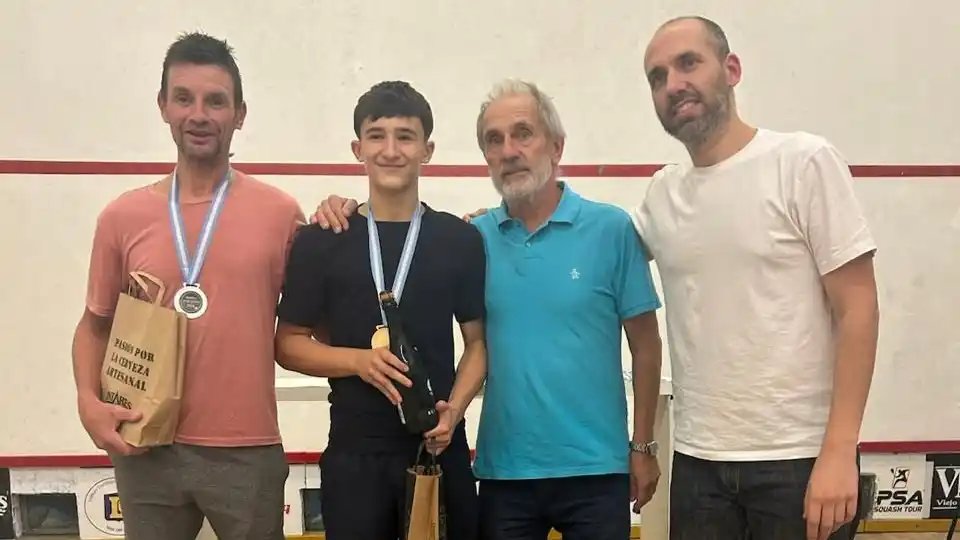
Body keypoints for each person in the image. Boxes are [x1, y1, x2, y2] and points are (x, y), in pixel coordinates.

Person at [311, 79, 665, 540]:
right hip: (504, 475)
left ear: (556, 146)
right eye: (494, 140)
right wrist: (339, 205)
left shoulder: (611, 229)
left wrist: (643, 446)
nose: (509, 150)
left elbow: (647, 345)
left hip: (596, 471)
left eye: (523, 134)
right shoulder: (476, 238)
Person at [632, 16, 879, 540]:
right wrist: (489, 228)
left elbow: (858, 308)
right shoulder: (661, 194)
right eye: (657, 76)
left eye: (688, 63)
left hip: (800, 461)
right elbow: (592, 252)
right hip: (697, 465)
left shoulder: (802, 162)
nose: (673, 83)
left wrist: (839, 450)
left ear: (732, 69)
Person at [72, 32, 304, 540]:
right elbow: (94, 326)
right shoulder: (122, 217)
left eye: (215, 101)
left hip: (248, 450)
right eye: (184, 98)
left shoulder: (281, 214)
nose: (199, 114)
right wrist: (89, 404)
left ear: (240, 113)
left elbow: (306, 327)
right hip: (146, 443)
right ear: (163, 106)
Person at [274, 80, 488, 540]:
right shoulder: (323, 239)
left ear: (427, 150)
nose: (391, 150)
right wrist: (357, 361)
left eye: (405, 136)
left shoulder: (460, 240)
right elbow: (287, 344)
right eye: (377, 135)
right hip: (356, 455)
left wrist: (455, 411)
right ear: (358, 148)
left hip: (438, 446)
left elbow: (477, 345)